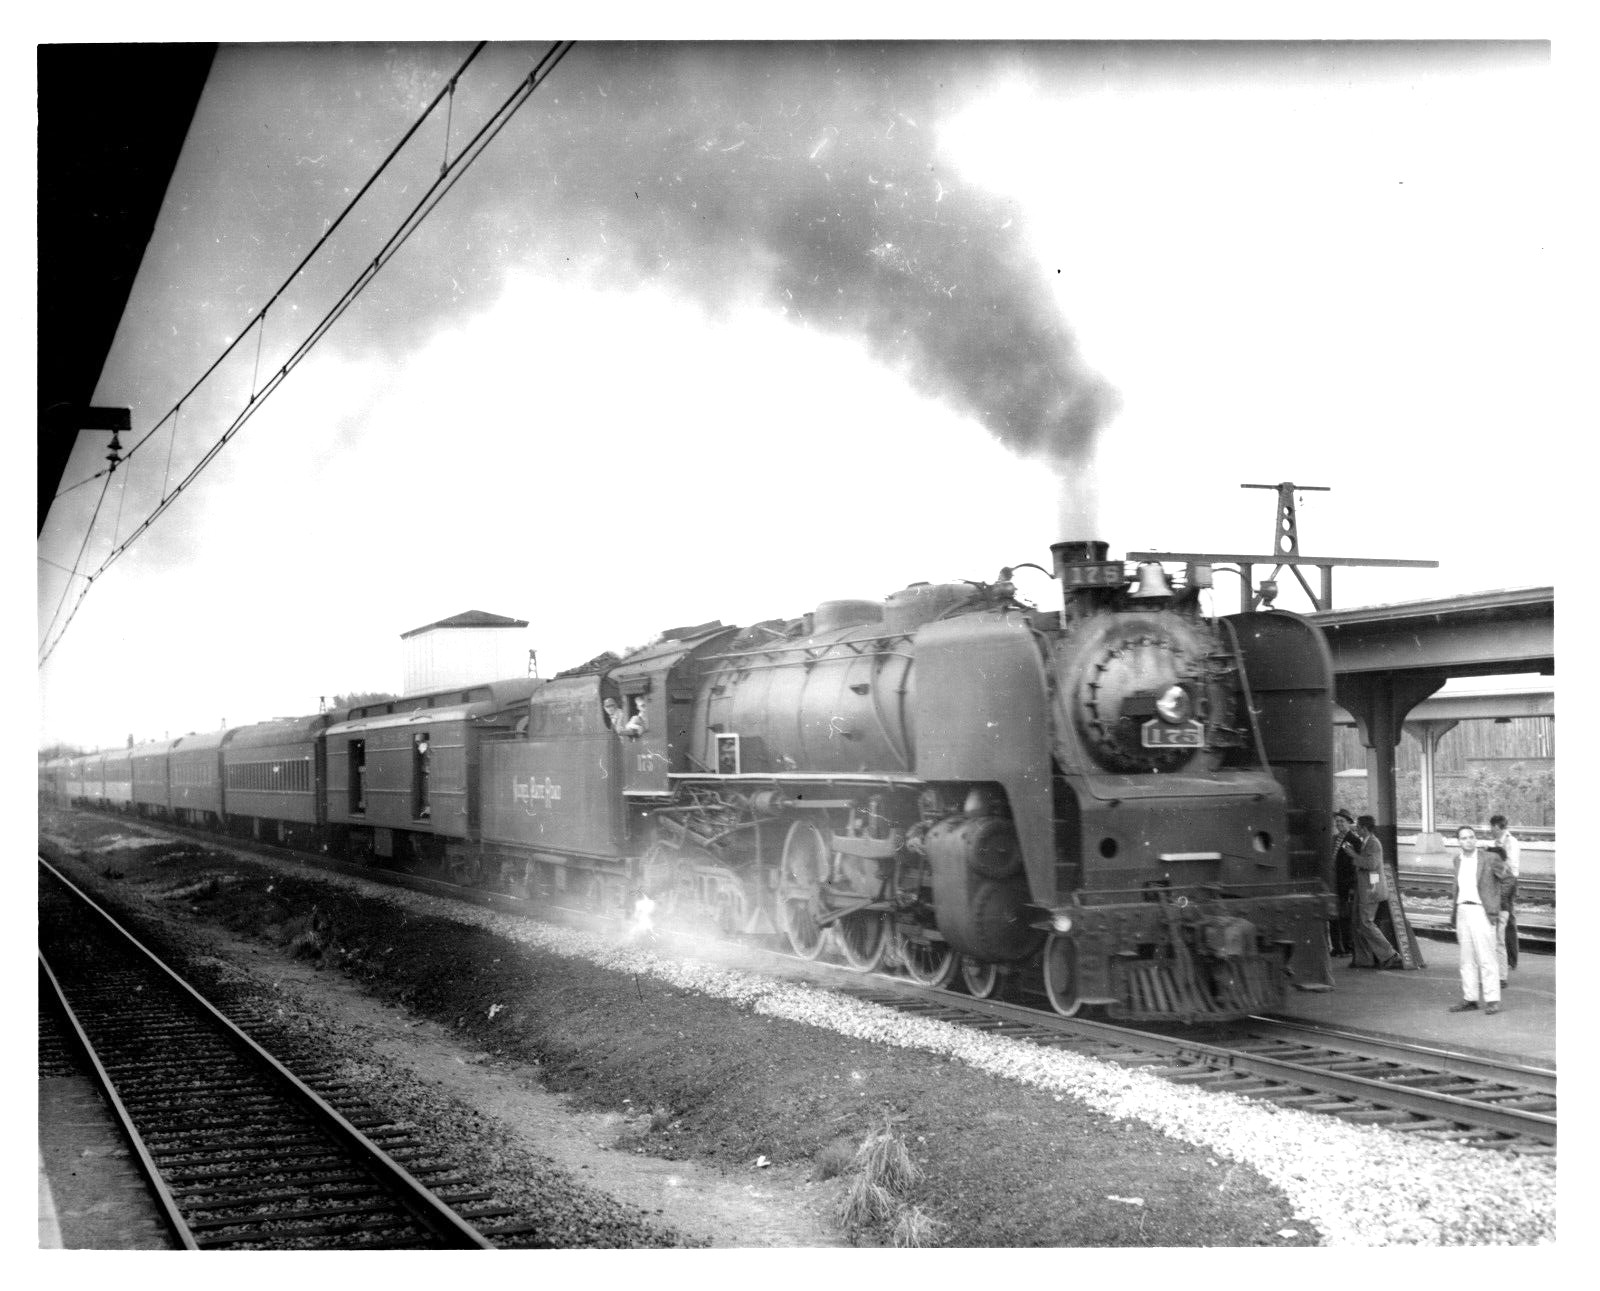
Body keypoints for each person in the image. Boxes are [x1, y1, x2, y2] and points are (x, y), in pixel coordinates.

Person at [1446, 825, 1509, 1014]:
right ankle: (1470, 998)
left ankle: (1492, 1000)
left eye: (1471, 837)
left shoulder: (1490, 858)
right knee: (1466, 959)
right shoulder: (1457, 859)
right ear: (1458, 841)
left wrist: (1495, 901)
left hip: (1481, 911)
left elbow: (1508, 879)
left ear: (1476, 839)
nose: (1469, 841)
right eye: (1464, 838)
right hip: (1462, 910)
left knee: (1487, 957)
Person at [1342, 814, 1402, 969]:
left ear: (1364, 828)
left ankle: (1391, 955)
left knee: (1366, 923)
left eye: (1357, 827)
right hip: (1365, 889)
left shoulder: (1373, 843)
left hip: (1369, 891)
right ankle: (1364, 959)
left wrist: (1352, 854)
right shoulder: (1366, 842)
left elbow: (1371, 864)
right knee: (1358, 923)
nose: (1355, 829)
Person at [1488, 813, 1520, 983]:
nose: (1490, 831)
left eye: (1492, 828)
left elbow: (1511, 865)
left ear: (1498, 827)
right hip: (1501, 880)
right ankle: (1507, 960)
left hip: (1509, 881)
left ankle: (1512, 960)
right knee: (1506, 922)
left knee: (1508, 920)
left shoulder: (1511, 842)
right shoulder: (1497, 842)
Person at [1328, 808, 1357, 957]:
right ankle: (1337, 947)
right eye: (1337, 821)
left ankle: (1347, 946)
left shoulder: (1354, 840)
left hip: (1344, 884)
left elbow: (1354, 865)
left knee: (1345, 917)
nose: (1339, 824)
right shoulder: (1333, 839)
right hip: (1333, 883)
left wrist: (1352, 886)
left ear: (1349, 823)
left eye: (1342, 821)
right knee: (1333, 916)